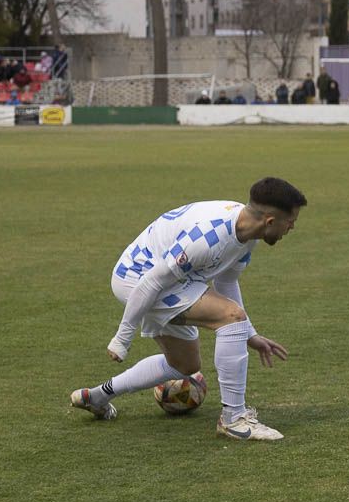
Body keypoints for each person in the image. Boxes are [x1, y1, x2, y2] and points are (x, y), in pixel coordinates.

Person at [69, 178, 307, 440]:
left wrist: (250, 335)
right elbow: (153, 281)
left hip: (174, 279)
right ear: (270, 221)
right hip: (138, 277)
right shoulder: (209, 237)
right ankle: (233, 419)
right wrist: (122, 338)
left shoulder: (248, 233)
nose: (293, 227)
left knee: (185, 365)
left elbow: (226, 281)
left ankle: (98, 396)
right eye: (291, 220)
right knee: (232, 317)